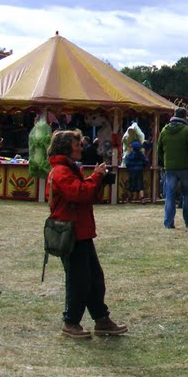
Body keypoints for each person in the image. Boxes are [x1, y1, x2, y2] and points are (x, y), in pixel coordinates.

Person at [47, 128, 127, 338]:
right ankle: (71, 322)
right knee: (79, 280)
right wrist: (95, 177)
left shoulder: (69, 169)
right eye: (76, 144)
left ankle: (101, 319)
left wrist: (97, 180)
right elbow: (79, 194)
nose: (80, 147)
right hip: (72, 233)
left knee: (93, 278)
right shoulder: (62, 172)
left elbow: (86, 194)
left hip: (80, 231)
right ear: (66, 148)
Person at [157, 107, 188, 229]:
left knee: (170, 195)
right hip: (185, 167)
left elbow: (159, 149)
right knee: (187, 194)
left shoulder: (164, 130)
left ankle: (168, 222)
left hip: (169, 167)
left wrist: (166, 159)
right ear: (185, 117)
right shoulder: (187, 130)